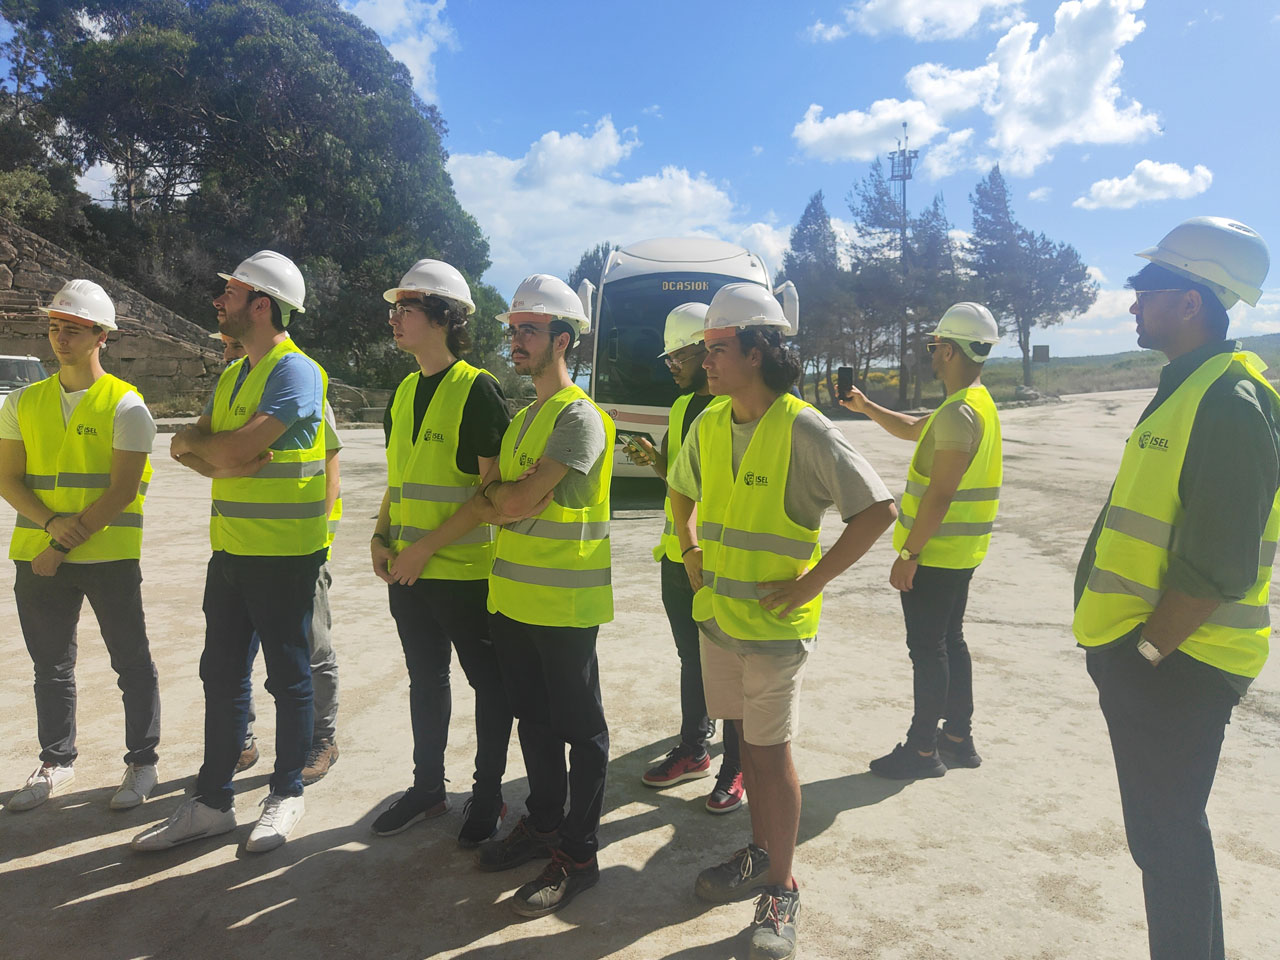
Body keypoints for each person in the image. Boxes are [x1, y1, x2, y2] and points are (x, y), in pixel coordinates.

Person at [667, 283, 896, 960]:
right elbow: (680, 489)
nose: (705, 361)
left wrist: (811, 582)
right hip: (721, 623)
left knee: (770, 756)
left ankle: (781, 886)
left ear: (759, 350)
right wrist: (688, 547)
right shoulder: (709, 422)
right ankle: (761, 852)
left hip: (774, 634)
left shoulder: (803, 428)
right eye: (704, 350)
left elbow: (877, 510)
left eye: (716, 349)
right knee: (748, 752)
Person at [1072, 217, 1275, 960]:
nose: (1132, 304)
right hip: (1160, 660)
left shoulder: (1228, 403)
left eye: (1145, 289)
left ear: (1190, 302)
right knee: (1163, 838)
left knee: (1167, 839)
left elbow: (1220, 565)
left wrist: (1144, 654)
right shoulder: (1191, 388)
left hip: (1179, 664)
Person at [403, 274, 613, 917]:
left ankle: (579, 855)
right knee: (536, 723)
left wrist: (505, 499)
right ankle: (544, 825)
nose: (515, 340)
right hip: (515, 603)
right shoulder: (525, 418)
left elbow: (509, 500)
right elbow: (496, 498)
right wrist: (506, 498)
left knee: (582, 733)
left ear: (563, 339)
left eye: (529, 330)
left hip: (565, 608)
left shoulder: (579, 418)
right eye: (512, 329)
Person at [133, 250, 328, 853]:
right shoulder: (235, 372)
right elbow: (194, 448)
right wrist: (214, 452)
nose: (219, 302)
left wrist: (214, 451)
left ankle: (287, 792)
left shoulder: (297, 373)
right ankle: (213, 801)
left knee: (289, 679)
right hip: (232, 554)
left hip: (285, 556)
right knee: (221, 675)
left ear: (262, 305)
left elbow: (220, 450)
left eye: (232, 294)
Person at [0, 280, 161, 812]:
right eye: (54, 327)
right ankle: (56, 761)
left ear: (101, 336)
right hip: (40, 555)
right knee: (50, 666)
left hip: (106, 557)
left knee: (130, 662)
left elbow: (122, 491)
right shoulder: (23, 402)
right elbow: (7, 479)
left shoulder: (127, 405)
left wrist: (60, 543)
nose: (59, 337)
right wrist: (49, 526)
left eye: (72, 328)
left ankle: (142, 763)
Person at [369, 259, 514, 846]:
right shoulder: (404, 391)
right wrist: (381, 536)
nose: (394, 318)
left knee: (490, 686)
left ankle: (488, 796)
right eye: (395, 308)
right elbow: (398, 478)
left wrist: (422, 550)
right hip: (409, 572)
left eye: (405, 309)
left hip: (465, 575)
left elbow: (491, 493)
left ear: (442, 318)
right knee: (425, 682)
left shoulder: (476, 389)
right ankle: (428, 788)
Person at [839, 303, 1002, 779]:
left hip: (935, 555)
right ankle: (958, 739)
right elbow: (915, 429)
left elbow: (942, 492)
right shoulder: (973, 404)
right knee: (949, 642)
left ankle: (923, 750)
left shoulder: (959, 413)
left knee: (928, 650)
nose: (931, 355)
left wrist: (909, 553)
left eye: (934, 347)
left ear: (948, 350)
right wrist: (866, 406)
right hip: (960, 553)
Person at [210, 332, 343, 784]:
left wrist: (318, 537)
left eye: (231, 343)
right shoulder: (233, 384)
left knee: (310, 650)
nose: (227, 351)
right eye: (225, 345)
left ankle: (320, 740)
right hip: (242, 548)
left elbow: (328, 463)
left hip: (297, 549)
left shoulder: (298, 382)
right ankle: (241, 742)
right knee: (236, 659)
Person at [624, 302, 742, 812]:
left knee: (731, 667)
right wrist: (655, 462)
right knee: (691, 659)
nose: (670, 365)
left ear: (705, 351)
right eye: (668, 357)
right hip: (679, 554)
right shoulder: (679, 409)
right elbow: (681, 482)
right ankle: (696, 749)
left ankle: (736, 767)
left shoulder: (733, 409)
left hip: (720, 560)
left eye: (679, 356)